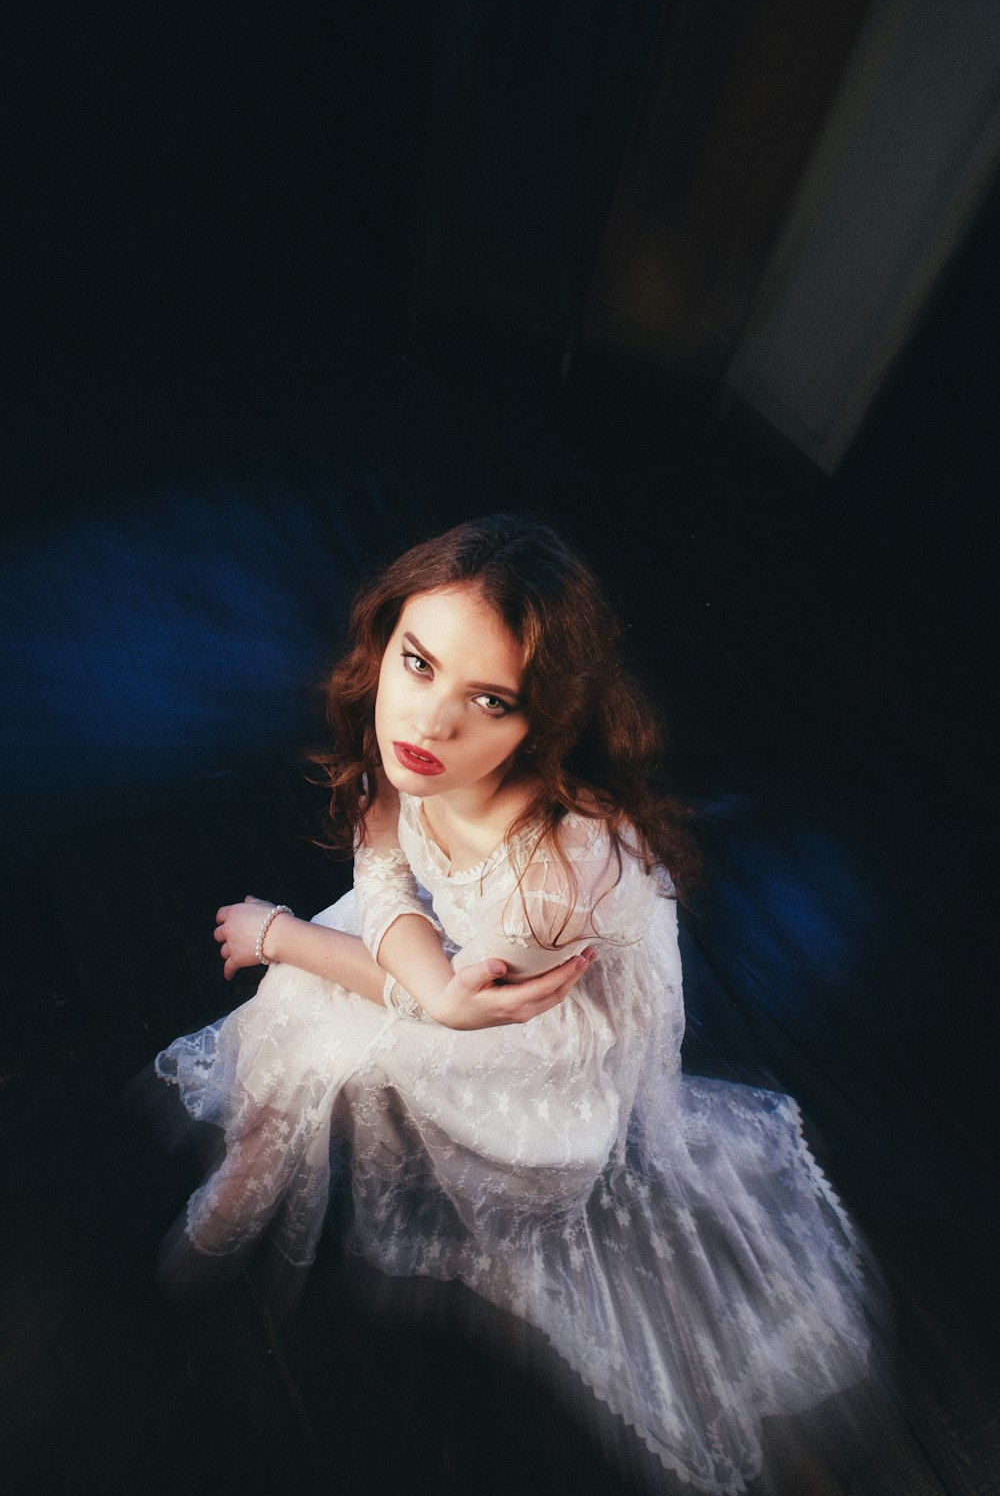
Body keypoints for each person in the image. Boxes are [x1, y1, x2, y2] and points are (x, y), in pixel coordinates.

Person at [155, 514, 874, 1493]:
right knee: (302, 999)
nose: (429, 724)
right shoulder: (415, 746)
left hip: (535, 1041)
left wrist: (282, 931)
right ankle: (250, 1172)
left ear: (542, 722)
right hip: (450, 962)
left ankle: (267, 1175)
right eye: (417, 664)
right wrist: (362, 945)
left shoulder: (554, 873)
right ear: (389, 641)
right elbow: (389, 882)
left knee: (307, 995)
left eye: (487, 700)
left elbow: (448, 1005)